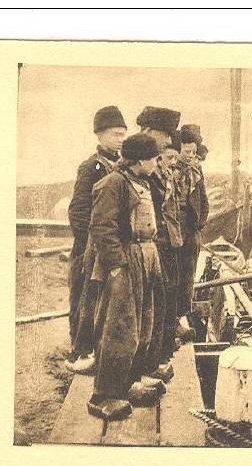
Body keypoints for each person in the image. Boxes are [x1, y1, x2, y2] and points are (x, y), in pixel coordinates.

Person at [86, 133, 169, 420]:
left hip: (147, 256)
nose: (158, 162)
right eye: (154, 157)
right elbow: (101, 227)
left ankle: (129, 383)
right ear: (140, 159)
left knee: (145, 324)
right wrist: (117, 265)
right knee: (120, 328)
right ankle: (103, 396)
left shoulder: (142, 182)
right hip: (127, 259)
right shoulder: (114, 183)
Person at [66, 106, 127, 373]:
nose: (120, 138)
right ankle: (79, 353)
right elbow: (78, 211)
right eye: (115, 134)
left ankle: (97, 352)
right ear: (100, 134)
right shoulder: (91, 167)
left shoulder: (121, 167)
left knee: (104, 300)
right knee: (83, 298)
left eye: (123, 134)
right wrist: (90, 242)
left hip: (107, 246)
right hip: (88, 248)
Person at [136, 107, 183, 380]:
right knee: (151, 307)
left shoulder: (157, 163)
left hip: (165, 245)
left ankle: (159, 359)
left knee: (164, 303)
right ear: (148, 132)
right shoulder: (139, 164)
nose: (168, 141)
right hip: (149, 248)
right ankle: (149, 364)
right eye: (165, 135)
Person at [175, 124, 209, 332]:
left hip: (191, 228)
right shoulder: (170, 169)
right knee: (174, 274)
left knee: (188, 274)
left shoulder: (196, 171)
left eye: (193, 152)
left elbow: (203, 200)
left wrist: (200, 223)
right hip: (175, 227)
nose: (190, 155)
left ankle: (182, 314)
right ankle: (174, 320)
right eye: (186, 151)